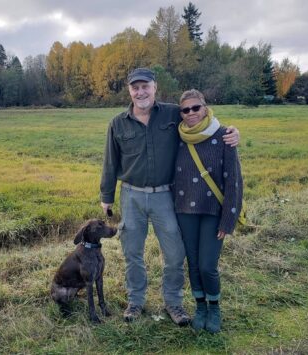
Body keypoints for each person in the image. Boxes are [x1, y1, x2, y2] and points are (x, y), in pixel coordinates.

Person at [100, 68, 240, 325]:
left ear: (155, 88)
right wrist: (106, 196)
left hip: (166, 195)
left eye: (145, 87)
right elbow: (110, 162)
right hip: (131, 195)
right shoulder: (117, 123)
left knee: (175, 253)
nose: (140, 92)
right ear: (129, 91)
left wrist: (231, 132)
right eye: (135, 88)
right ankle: (136, 301)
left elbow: (200, 118)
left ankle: (174, 303)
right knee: (132, 252)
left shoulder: (172, 113)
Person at [173, 89, 243, 333]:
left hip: (213, 212)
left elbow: (233, 181)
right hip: (184, 211)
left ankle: (214, 308)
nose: (191, 113)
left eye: (196, 108)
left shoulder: (224, 135)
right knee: (192, 263)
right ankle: (200, 306)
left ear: (205, 107)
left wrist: (228, 220)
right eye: (185, 109)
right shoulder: (177, 136)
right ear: (180, 113)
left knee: (207, 265)